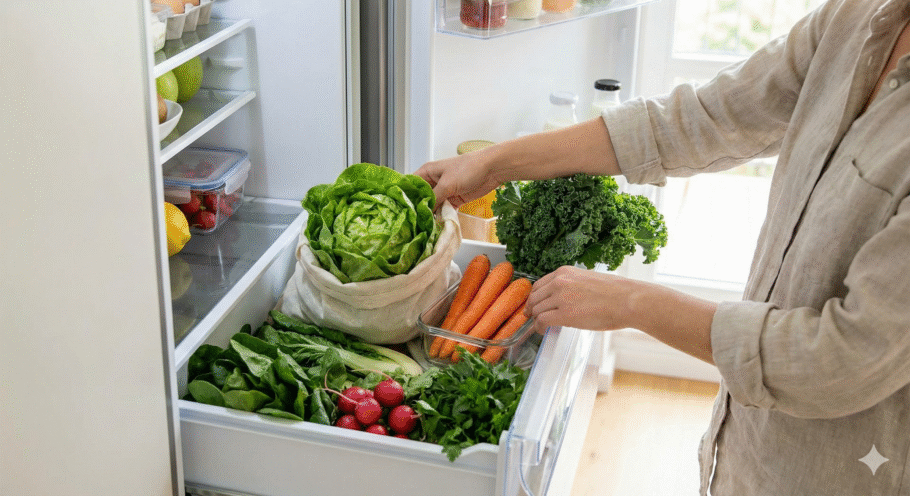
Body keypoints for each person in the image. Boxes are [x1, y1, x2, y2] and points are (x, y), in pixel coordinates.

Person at [414, 0, 910, 494]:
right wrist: (495, 164)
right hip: (748, 444)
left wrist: (633, 302)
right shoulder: (856, 18)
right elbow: (700, 118)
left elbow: (842, 360)